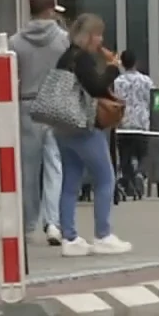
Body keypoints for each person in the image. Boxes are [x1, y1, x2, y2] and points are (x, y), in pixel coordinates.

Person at [53, 13, 130, 255]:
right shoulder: (82, 58)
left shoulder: (64, 57)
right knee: (105, 178)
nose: (101, 40)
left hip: (62, 127)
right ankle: (103, 234)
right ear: (87, 36)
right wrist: (112, 69)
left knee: (70, 182)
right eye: (97, 34)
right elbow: (95, 86)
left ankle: (70, 238)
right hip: (83, 126)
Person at [14, 0, 70, 246]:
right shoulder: (63, 40)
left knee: (28, 168)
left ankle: (27, 225)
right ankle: (53, 223)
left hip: (26, 103)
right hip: (55, 102)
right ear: (49, 12)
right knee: (54, 166)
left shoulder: (15, 42)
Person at [111, 50, 155, 194]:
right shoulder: (146, 81)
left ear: (122, 64)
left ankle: (129, 184)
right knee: (144, 153)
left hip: (123, 123)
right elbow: (152, 99)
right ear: (136, 63)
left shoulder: (118, 82)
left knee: (125, 155)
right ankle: (140, 174)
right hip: (141, 122)